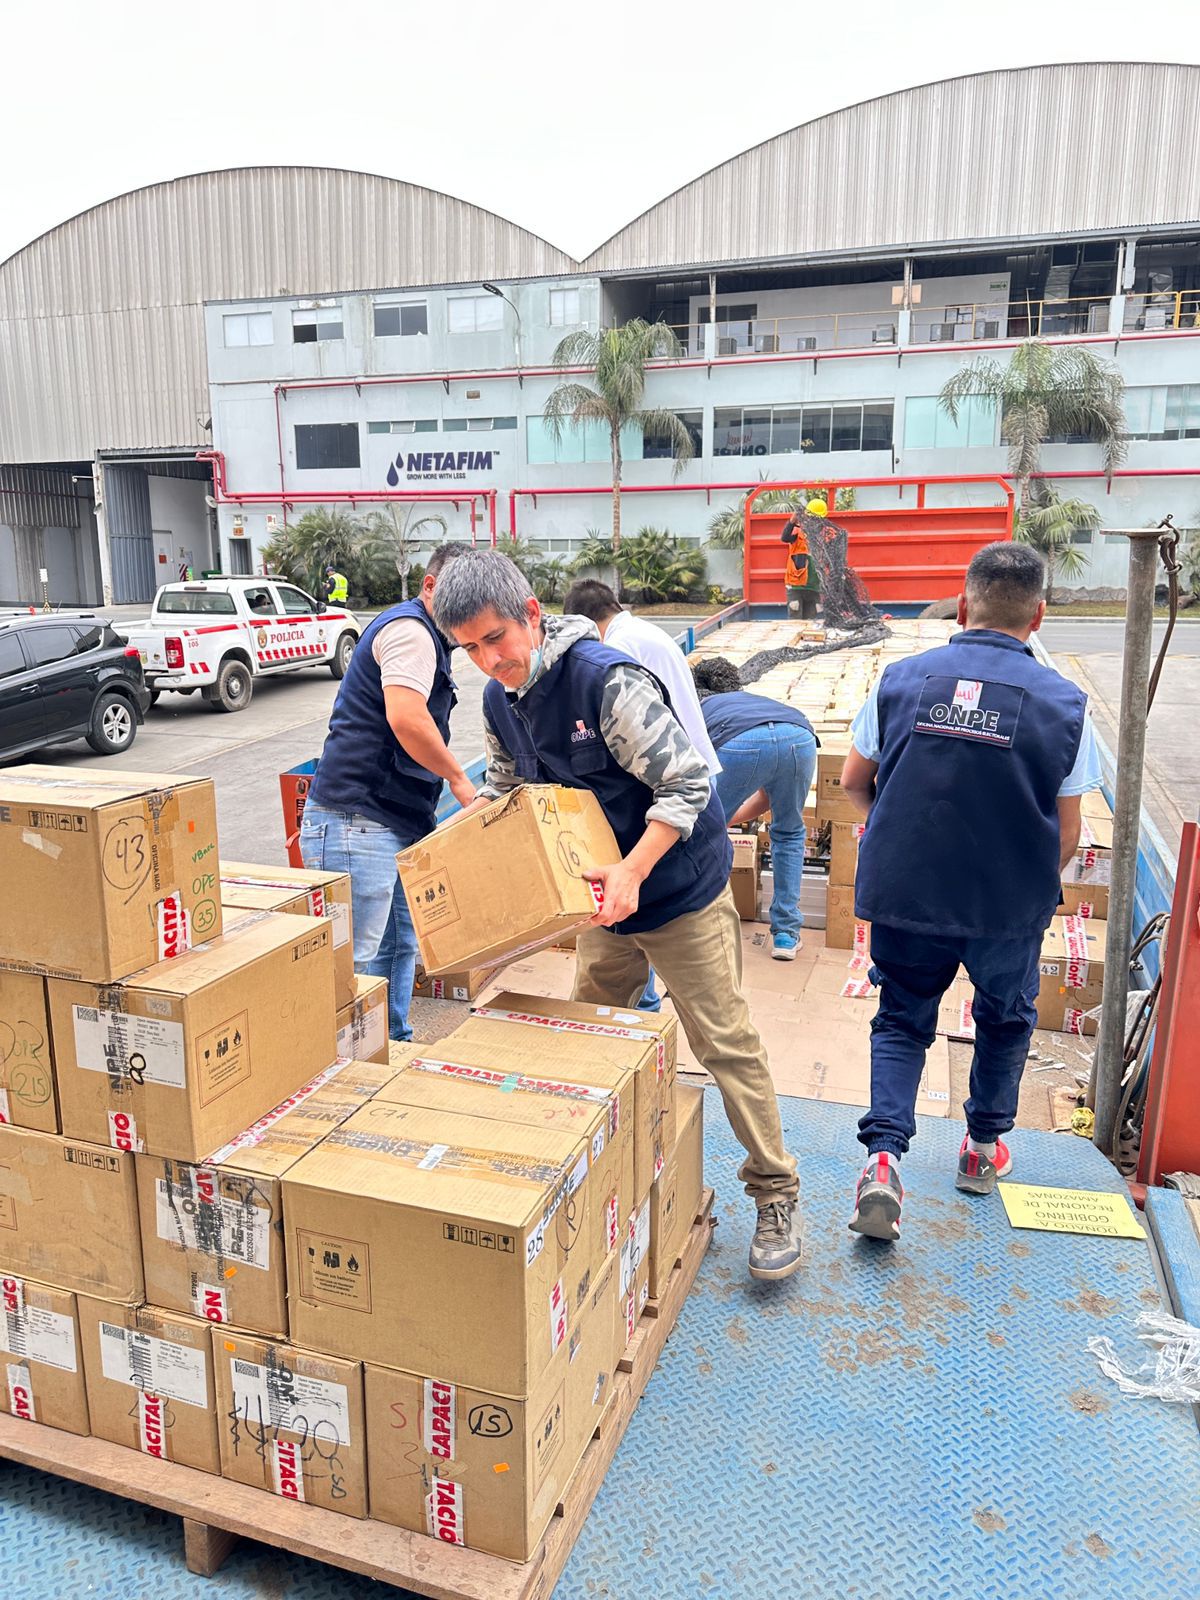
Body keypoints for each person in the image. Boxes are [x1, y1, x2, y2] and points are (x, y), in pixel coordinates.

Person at [433, 550, 803, 1281]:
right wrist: (463, 856)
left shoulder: (605, 682)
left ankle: (776, 1191)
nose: (488, 660)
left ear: (531, 614)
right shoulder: (499, 702)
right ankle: (587, 1176)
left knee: (724, 1042)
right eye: (469, 649)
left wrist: (634, 871)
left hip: (677, 892)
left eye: (496, 638)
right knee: (585, 1034)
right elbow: (509, 794)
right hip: (604, 899)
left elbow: (688, 783)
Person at [840, 542, 1103, 1242]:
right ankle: (981, 1150)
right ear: (1038, 616)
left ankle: (883, 1161)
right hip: (1005, 908)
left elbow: (854, 781)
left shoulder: (900, 680)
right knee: (1005, 1019)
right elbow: (1068, 833)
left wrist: (900, 838)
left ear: (962, 607)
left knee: (902, 1019)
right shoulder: (1066, 705)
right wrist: (1019, 884)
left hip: (908, 895)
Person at [301, 543, 473, 1042]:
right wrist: (460, 781)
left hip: (392, 820)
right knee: (353, 961)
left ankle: (390, 1047)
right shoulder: (411, 632)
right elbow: (407, 718)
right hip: (357, 820)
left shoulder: (433, 637)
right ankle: (339, 1065)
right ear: (430, 586)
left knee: (398, 945)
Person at [562, 578, 721, 1011]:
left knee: (650, 907)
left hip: (672, 788)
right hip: (689, 770)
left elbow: (666, 774)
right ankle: (646, 1008)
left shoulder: (611, 656)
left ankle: (647, 1005)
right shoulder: (649, 633)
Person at [691, 654, 819, 961]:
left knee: (699, 839)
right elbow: (765, 799)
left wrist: (714, 822)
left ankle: (702, 929)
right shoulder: (755, 701)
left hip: (740, 743)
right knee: (789, 832)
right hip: (799, 736)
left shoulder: (698, 709)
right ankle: (786, 934)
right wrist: (723, 819)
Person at [781, 497, 826, 619]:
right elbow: (785, 537)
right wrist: (791, 522)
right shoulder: (797, 531)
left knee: (812, 622)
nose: (815, 521)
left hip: (814, 586)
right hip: (796, 585)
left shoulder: (825, 535)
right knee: (795, 622)